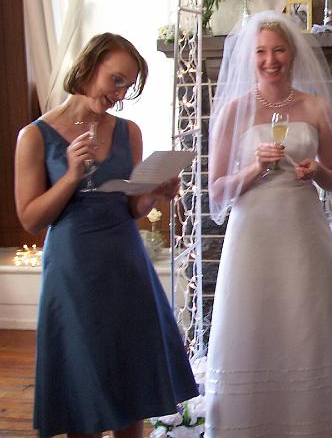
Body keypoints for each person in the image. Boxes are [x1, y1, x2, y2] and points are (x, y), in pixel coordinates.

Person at [205, 10, 332, 437]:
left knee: (308, 317)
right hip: (253, 232)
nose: (270, 60)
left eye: (278, 50)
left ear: (293, 53)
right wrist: (255, 168)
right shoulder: (234, 111)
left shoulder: (315, 106)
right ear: (250, 57)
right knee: (256, 319)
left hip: (302, 228)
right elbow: (216, 190)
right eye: (261, 52)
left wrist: (316, 172)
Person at [14, 33, 198, 438]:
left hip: (126, 267)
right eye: (116, 80)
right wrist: (71, 176)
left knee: (132, 388)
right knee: (84, 393)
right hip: (73, 271)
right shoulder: (34, 136)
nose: (120, 94)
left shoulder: (129, 132)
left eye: (127, 87)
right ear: (89, 66)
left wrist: (155, 192)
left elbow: (132, 209)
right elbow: (30, 219)